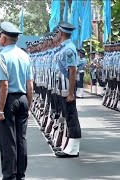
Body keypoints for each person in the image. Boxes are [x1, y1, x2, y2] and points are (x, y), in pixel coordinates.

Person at [0, 21, 33, 180]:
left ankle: (9, 175)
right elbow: (30, 84)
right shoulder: (24, 55)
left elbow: (3, 84)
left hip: (7, 100)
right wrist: (28, 105)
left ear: (3, 38)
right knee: (21, 139)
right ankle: (20, 175)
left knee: (7, 141)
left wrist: (0, 110)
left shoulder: (1, 56)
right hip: (22, 99)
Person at [54, 21, 81, 158]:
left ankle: (73, 148)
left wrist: (70, 93)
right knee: (67, 115)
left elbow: (72, 71)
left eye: (57, 32)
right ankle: (70, 146)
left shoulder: (68, 49)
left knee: (71, 116)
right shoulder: (64, 48)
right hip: (63, 87)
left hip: (67, 88)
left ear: (61, 33)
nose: (57, 35)